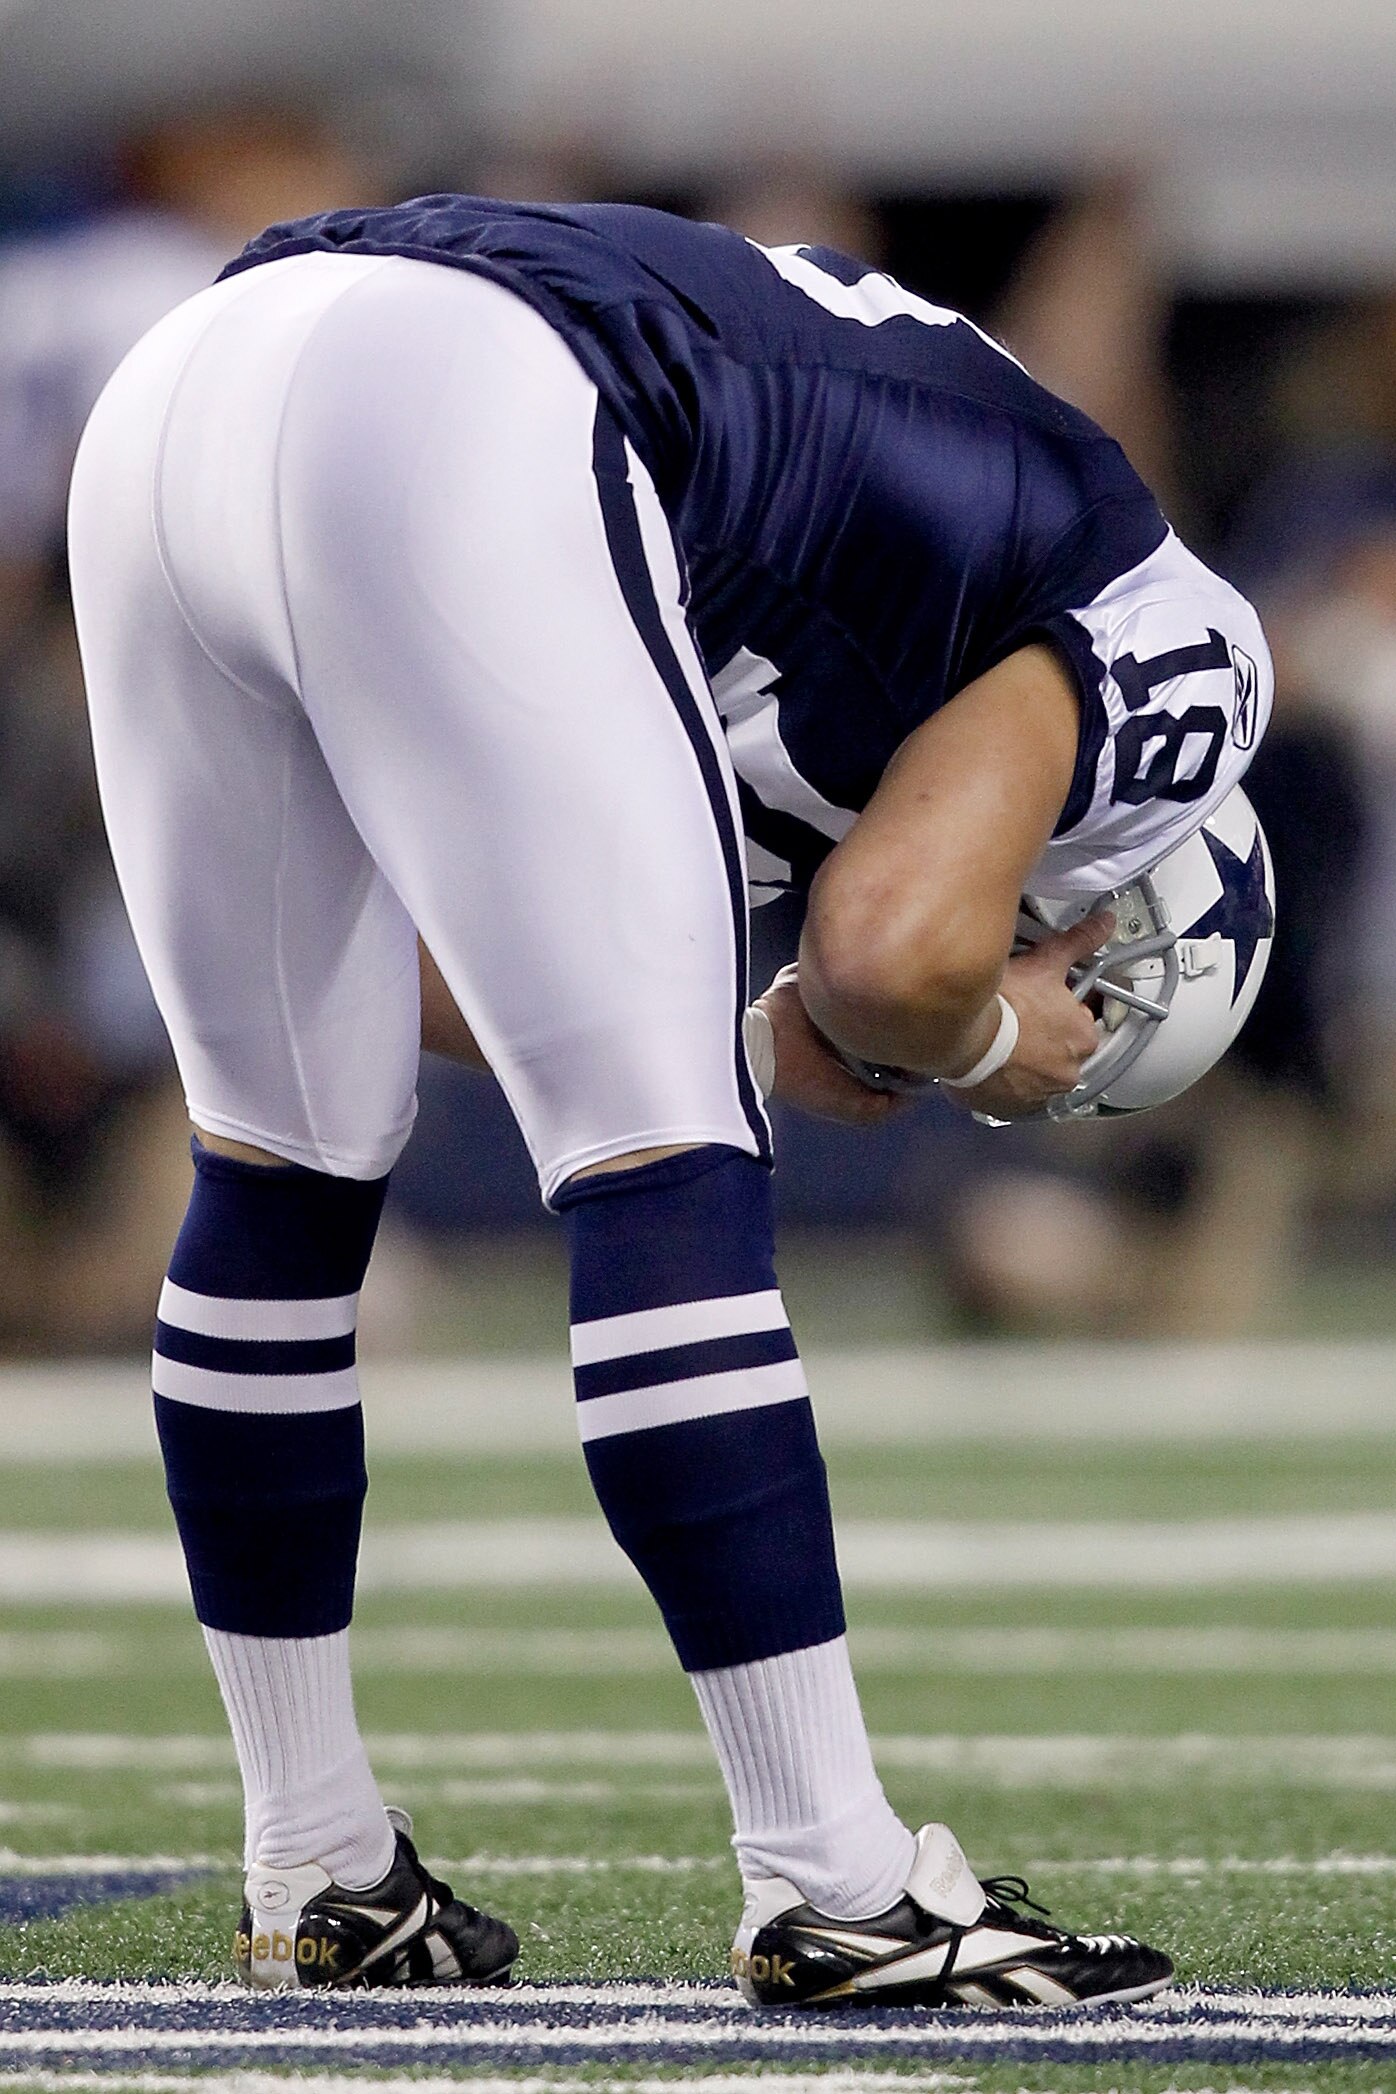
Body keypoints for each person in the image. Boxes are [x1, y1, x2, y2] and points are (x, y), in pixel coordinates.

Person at [66, 194, 1272, 2008]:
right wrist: (969, 1038)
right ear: (1124, 911)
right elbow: (891, 952)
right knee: (663, 1162)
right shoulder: (1186, 665)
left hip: (187, 391)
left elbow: (427, 980)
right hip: (457, 389)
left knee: (287, 1141)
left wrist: (755, 1034)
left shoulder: (879, 625)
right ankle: (836, 1875)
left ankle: (313, 1854)